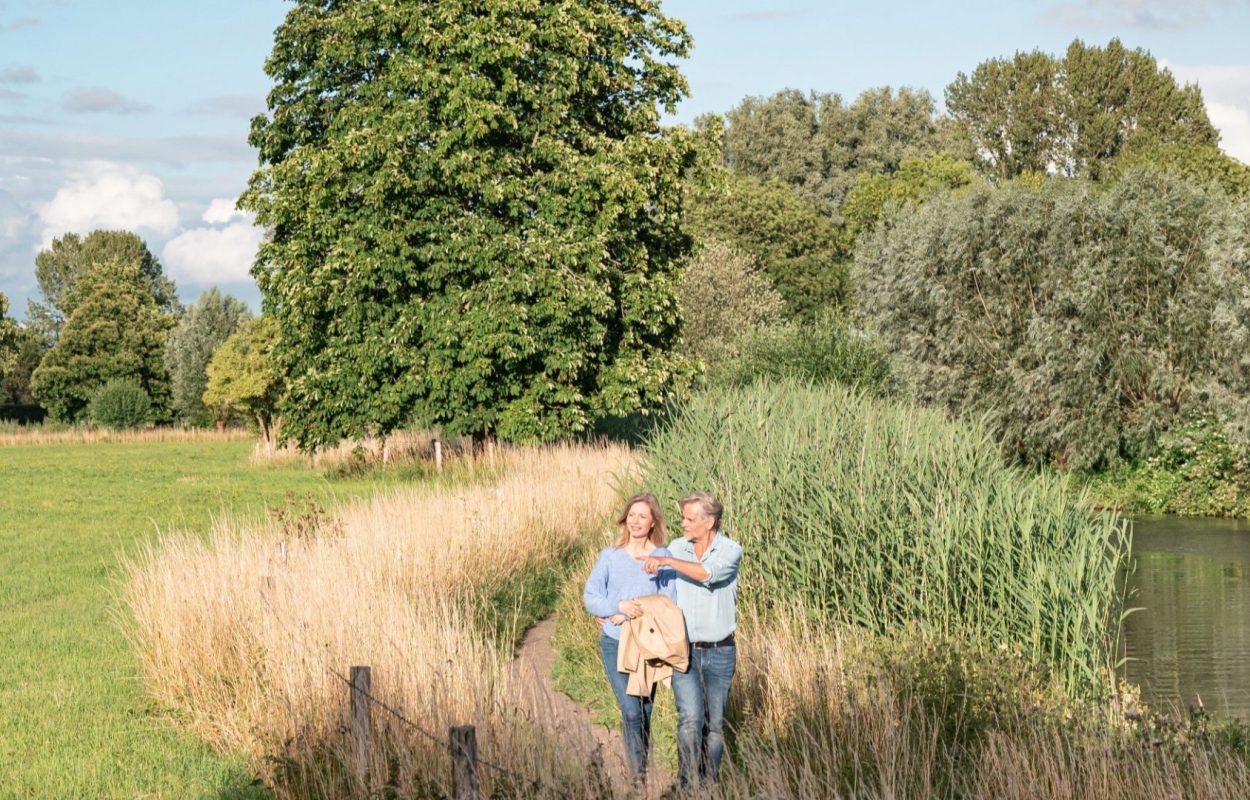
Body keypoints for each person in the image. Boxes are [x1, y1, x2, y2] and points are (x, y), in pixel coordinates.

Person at [643, 491, 741, 786]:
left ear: (708, 522)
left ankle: (710, 784)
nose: (683, 524)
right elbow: (651, 578)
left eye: (689, 519)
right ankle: (687, 784)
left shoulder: (730, 550)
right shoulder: (676, 547)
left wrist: (669, 562)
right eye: (683, 517)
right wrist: (613, 609)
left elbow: (707, 574)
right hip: (683, 651)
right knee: (690, 719)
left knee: (714, 726)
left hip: (721, 652)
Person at [582, 493, 676, 780]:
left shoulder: (663, 557)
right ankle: (638, 779)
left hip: (648, 645)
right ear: (626, 519)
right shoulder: (609, 555)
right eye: (632, 515)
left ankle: (641, 766)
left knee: (645, 710)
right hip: (614, 642)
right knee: (631, 709)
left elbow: (668, 600)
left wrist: (633, 611)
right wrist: (616, 606)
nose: (635, 521)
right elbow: (591, 596)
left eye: (642, 516)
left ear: (652, 523)